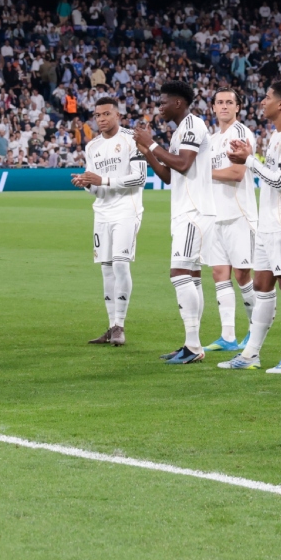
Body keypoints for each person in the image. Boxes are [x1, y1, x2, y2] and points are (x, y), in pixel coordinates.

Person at [217, 78, 281, 373]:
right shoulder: (276, 135)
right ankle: (250, 355)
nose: (262, 101)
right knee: (261, 286)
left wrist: (249, 161)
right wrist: (249, 158)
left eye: (268, 97)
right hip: (268, 223)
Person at [133, 81, 210, 365]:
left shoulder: (193, 125)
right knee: (191, 276)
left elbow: (182, 164)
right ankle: (192, 344)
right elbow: (168, 176)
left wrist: (152, 141)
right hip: (185, 210)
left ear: (178, 103)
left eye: (163, 102)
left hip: (194, 211)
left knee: (179, 274)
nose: (159, 107)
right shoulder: (180, 130)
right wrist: (147, 152)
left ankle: (193, 346)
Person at [76, 96, 145, 346]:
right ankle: (111, 326)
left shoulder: (131, 140)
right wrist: (86, 184)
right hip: (102, 212)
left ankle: (120, 325)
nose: (102, 119)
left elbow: (139, 178)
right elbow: (95, 186)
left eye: (106, 114)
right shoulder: (92, 147)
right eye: (97, 115)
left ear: (118, 115)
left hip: (127, 209)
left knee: (120, 264)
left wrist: (102, 181)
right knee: (106, 268)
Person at [201, 87, 256, 353]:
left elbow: (236, 173)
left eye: (229, 102)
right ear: (213, 108)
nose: (223, 106)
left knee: (243, 274)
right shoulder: (211, 141)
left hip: (238, 215)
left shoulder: (241, 133)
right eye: (219, 102)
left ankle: (254, 332)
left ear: (237, 107)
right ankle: (228, 336)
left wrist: (204, 173)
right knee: (219, 274)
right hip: (216, 216)